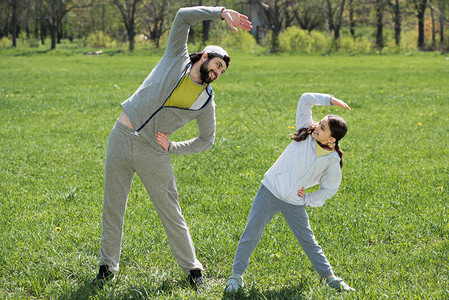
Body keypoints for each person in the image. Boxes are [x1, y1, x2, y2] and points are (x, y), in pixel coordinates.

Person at [92, 6, 252, 290]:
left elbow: (207, 140)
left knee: (170, 210)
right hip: (120, 137)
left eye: (222, 72)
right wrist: (221, 12)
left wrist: (173, 148)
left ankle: (193, 270)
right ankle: (107, 266)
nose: (217, 73)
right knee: (113, 205)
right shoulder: (176, 56)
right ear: (204, 56)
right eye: (216, 65)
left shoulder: (205, 102)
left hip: (153, 151)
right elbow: (182, 16)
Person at [224, 93, 355, 293]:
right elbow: (305, 99)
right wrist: (331, 100)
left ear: (332, 139)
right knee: (251, 233)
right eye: (319, 124)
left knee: (308, 241)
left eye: (322, 128)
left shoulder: (331, 160)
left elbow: (330, 188)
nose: (316, 128)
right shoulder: (305, 130)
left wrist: (308, 198)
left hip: (294, 202)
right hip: (269, 191)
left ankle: (330, 278)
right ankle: (235, 276)